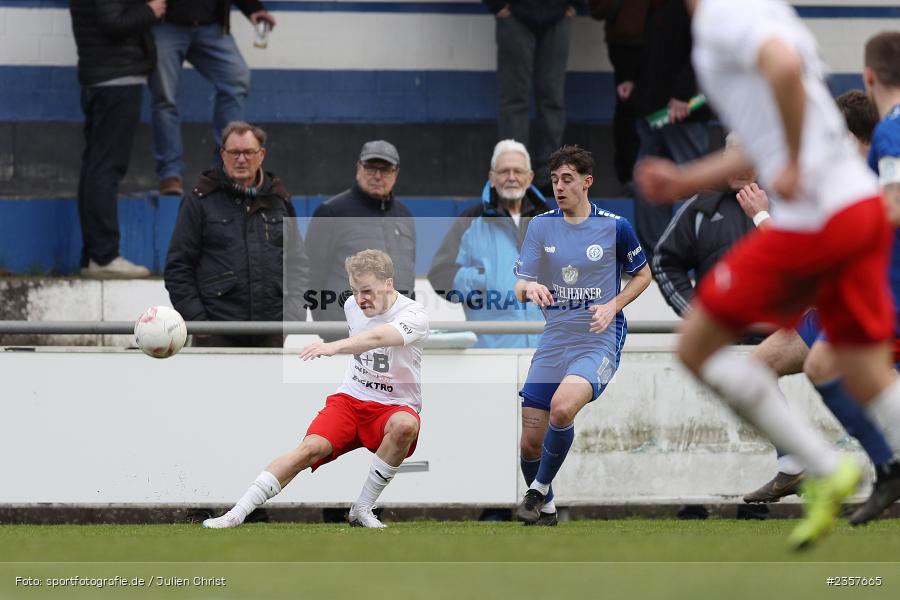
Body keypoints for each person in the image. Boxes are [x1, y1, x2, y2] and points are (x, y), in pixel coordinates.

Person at [636, 0, 900, 549]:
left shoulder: (721, 18)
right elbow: (769, 138)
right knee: (855, 367)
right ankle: (857, 464)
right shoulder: (767, 10)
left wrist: (797, 163)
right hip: (857, 212)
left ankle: (825, 468)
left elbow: (781, 74)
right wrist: (685, 178)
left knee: (696, 349)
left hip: (813, 222)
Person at [201, 250, 428, 529]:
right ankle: (235, 514)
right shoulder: (352, 306)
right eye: (354, 290)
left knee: (406, 425)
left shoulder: (415, 314)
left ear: (389, 284)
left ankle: (362, 509)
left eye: (367, 290)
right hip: (351, 399)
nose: (360, 299)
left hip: (394, 406)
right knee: (309, 449)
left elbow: (378, 337)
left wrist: (334, 346)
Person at [513, 145, 652, 525]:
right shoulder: (541, 226)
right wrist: (531, 288)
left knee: (562, 407)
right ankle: (549, 508)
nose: (559, 187)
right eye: (555, 179)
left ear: (587, 182)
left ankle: (537, 491)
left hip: (597, 337)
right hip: (555, 337)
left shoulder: (615, 226)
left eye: (567, 179)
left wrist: (614, 305)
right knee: (529, 440)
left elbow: (643, 274)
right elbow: (520, 283)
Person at [164, 121, 308, 347]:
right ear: (223, 154)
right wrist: (199, 324)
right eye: (234, 152)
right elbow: (178, 267)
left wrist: (291, 320)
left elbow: (298, 265)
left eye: (248, 152)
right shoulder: (199, 201)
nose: (241, 159)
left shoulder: (280, 201)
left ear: (261, 155)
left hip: (271, 333)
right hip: (216, 333)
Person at [70, 0, 163, 279]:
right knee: (106, 168)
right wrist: (151, 11)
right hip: (116, 80)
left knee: (96, 167)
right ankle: (104, 256)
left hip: (104, 78)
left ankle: (94, 255)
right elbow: (112, 22)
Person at [428, 139, 550, 348]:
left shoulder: (551, 221)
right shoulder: (471, 220)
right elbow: (441, 275)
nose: (511, 177)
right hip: (492, 353)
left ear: (529, 178)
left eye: (518, 171)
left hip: (547, 352)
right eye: (504, 172)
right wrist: (487, 280)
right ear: (492, 178)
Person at [150, 0, 276, 196]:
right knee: (164, 98)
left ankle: (224, 170)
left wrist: (253, 8)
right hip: (166, 25)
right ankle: (170, 173)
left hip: (211, 26)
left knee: (236, 80)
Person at [629, 0, 712, 259]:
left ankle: (703, 248)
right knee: (646, 180)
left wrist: (682, 94)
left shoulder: (695, 8)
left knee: (696, 179)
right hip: (654, 111)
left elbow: (703, 52)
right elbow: (651, 54)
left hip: (684, 111)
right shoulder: (656, 7)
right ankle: (658, 252)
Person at [305, 141, 416, 326]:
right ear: (358, 168)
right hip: (345, 333)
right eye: (371, 168)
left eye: (386, 170)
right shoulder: (331, 212)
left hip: (395, 333)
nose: (378, 176)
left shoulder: (405, 216)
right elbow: (311, 275)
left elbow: (407, 275)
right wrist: (329, 325)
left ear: (395, 174)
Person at [652, 134, 758, 317]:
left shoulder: (783, 206)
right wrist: (697, 316)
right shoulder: (700, 206)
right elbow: (664, 263)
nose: (740, 171)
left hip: (777, 339)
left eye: (747, 163)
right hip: (718, 340)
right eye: (734, 162)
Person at [484, 1, 582, 190]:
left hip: (558, 12)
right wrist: (496, 4)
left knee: (551, 98)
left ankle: (548, 176)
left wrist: (573, 4)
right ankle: (513, 173)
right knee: (516, 99)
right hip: (515, 14)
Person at [588, 0, 652, 189]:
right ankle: (630, 174)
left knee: (655, 107)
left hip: (661, 37)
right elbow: (597, 9)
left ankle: (650, 171)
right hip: (625, 41)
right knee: (628, 107)